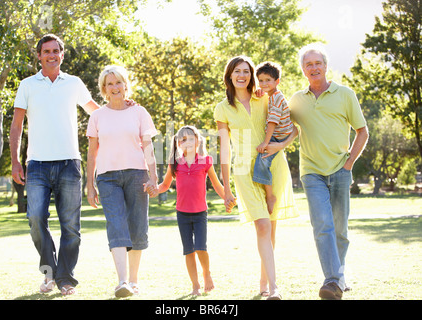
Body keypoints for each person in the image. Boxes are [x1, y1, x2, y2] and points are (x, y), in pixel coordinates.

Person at [9, 34, 100, 296]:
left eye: (55, 51)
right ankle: (49, 274)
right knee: (36, 219)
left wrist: (121, 107)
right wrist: (16, 160)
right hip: (36, 164)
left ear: (62, 54)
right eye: (46, 51)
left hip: (70, 164)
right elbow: (17, 126)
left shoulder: (74, 83)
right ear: (38, 55)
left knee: (71, 225)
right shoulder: (27, 85)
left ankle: (65, 277)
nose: (51, 55)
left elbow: (96, 110)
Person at [288, 43, 369, 300]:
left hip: (340, 170)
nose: (314, 68)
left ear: (325, 66)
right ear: (302, 69)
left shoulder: (345, 94)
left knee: (340, 229)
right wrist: (262, 93)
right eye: (308, 64)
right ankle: (332, 281)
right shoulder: (297, 100)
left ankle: (338, 275)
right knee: (322, 225)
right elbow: (279, 120)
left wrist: (349, 163)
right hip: (311, 172)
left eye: (318, 63)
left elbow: (362, 131)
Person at [214, 56, 298, 300]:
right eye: (237, 71)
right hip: (243, 170)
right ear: (229, 75)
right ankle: (274, 288)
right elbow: (224, 148)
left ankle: (264, 281)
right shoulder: (222, 108)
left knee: (270, 228)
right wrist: (226, 187)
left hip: (273, 166)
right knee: (261, 224)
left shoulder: (265, 97)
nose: (242, 75)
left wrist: (281, 145)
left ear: (252, 75)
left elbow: (293, 129)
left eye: (246, 71)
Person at [86, 65, 158, 298]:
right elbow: (91, 153)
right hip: (107, 178)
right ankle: (122, 281)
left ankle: (134, 281)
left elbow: (148, 146)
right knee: (116, 225)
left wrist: (153, 175)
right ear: (104, 89)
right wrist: (89, 183)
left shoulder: (139, 112)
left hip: (137, 174)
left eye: (118, 82)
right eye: (110, 84)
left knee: (137, 226)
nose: (115, 87)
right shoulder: (97, 116)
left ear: (126, 85)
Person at [149, 125, 234, 296]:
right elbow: (165, 185)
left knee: (201, 248)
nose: (188, 142)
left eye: (191, 138)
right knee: (188, 251)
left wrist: (227, 197)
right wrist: (154, 190)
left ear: (198, 141)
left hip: (200, 213)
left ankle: (206, 273)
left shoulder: (206, 161)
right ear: (179, 144)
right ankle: (195, 286)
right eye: (183, 139)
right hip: (182, 214)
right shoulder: (174, 164)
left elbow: (217, 185)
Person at [253, 61, 294, 214]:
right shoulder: (272, 95)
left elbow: (272, 122)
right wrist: (261, 91)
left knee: (262, 160)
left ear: (277, 81)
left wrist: (266, 142)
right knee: (263, 161)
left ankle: (270, 196)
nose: (264, 84)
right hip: (280, 134)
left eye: (268, 80)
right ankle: (268, 194)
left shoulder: (276, 98)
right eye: (261, 81)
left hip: (278, 136)